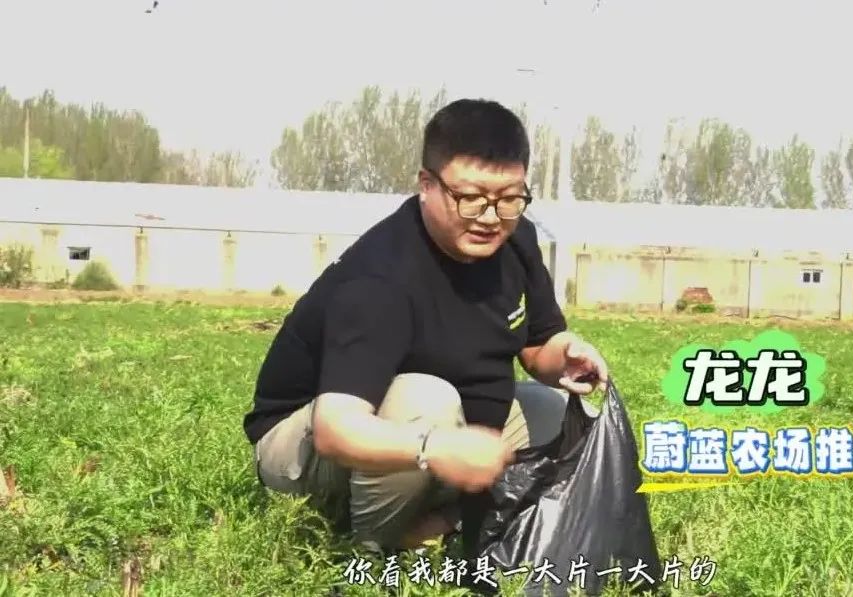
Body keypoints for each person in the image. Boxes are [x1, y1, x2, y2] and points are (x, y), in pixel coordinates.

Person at [242, 98, 609, 555]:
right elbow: (336, 429)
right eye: (470, 198)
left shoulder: (515, 241)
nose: (490, 217)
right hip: (305, 444)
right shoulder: (381, 278)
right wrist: (435, 446)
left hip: (439, 429)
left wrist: (566, 355)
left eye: (510, 198)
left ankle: (440, 525)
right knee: (424, 399)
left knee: (559, 415)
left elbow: (537, 345)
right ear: (426, 185)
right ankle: (372, 550)